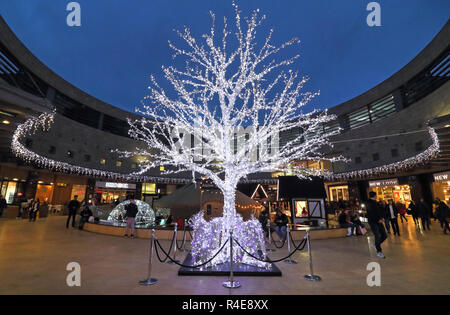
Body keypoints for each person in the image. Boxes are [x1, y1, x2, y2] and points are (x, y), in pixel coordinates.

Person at [366, 191, 387, 258]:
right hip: (373, 222)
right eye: (376, 195)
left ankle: (375, 244)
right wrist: (378, 219)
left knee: (384, 235)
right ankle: (379, 251)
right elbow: (371, 214)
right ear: (374, 196)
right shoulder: (368, 203)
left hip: (379, 221)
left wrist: (382, 218)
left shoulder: (376, 202)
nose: (376, 196)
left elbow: (380, 211)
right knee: (377, 235)